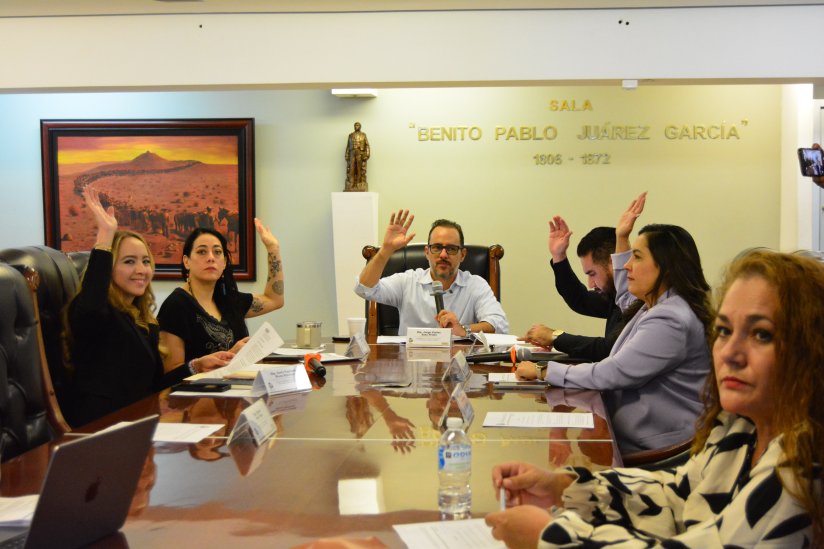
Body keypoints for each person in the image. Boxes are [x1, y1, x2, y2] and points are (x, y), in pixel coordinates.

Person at [486, 248, 824, 548]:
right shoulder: (740, 429)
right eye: (724, 330)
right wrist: (563, 487)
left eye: (761, 334)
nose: (730, 352)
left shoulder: (801, 465)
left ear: (812, 350)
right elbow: (677, 495)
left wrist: (549, 537)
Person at [517, 193, 712, 453]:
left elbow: (613, 372)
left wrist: (545, 370)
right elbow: (622, 293)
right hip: (631, 433)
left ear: (665, 267)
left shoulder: (671, 319)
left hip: (653, 445)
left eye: (637, 257)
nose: (627, 266)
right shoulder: (654, 304)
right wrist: (621, 237)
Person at [64, 188, 233, 426]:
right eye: (129, 262)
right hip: (102, 429)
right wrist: (105, 237)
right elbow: (91, 306)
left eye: (145, 261)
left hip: (141, 423)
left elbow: (154, 387)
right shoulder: (97, 314)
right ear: (108, 269)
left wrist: (196, 366)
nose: (141, 270)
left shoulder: (142, 321)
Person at [354, 209, 508, 336]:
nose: (443, 255)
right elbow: (364, 289)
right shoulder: (408, 281)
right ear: (427, 252)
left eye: (451, 249)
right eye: (437, 247)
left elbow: (500, 325)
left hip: (459, 362)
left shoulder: (475, 285)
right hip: (411, 363)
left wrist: (463, 329)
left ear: (462, 255)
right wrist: (386, 250)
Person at [157, 221, 284, 371]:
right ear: (186, 261)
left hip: (238, 384)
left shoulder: (229, 300)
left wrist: (273, 249)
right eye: (202, 252)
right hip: (199, 387)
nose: (211, 258)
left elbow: (275, 300)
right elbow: (170, 373)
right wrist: (230, 355)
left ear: (224, 263)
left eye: (217, 252)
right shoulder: (176, 305)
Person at [521, 220, 621, 361]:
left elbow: (608, 349)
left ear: (613, 264)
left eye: (592, 274)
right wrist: (559, 257)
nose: (591, 284)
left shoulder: (639, 299)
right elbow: (581, 300)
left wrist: (555, 337)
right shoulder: (616, 296)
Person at [345, 121, 370, 191]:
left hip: (360, 152)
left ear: (360, 127)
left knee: (359, 169)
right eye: (355, 125)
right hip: (352, 152)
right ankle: (351, 184)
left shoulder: (363, 135)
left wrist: (367, 154)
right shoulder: (350, 135)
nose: (356, 126)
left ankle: (359, 184)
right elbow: (348, 146)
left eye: (358, 125)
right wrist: (346, 154)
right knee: (352, 169)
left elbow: (367, 145)